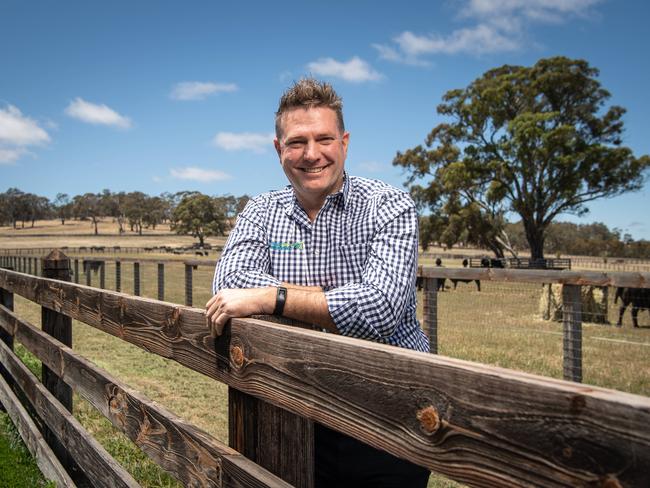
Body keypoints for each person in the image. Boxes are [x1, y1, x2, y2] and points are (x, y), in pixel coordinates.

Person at [206, 78, 430, 487]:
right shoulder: (261, 210)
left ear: (344, 142)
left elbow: (378, 308)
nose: (312, 154)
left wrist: (272, 296)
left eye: (324, 138)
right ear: (278, 149)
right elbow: (232, 282)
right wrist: (337, 299)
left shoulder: (389, 205)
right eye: (296, 142)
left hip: (386, 411)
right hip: (291, 406)